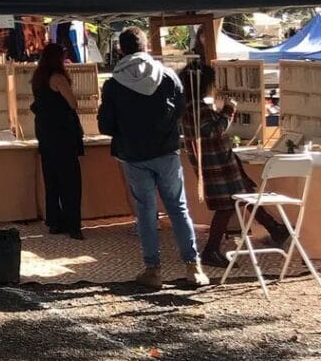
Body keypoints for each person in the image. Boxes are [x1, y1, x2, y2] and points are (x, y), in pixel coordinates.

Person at [98, 27, 209, 289]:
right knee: (177, 207)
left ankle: (152, 269)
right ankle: (193, 267)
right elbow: (181, 110)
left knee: (146, 212)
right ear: (146, 46)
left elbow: (106, 125)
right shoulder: (169, 76)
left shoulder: (114, 84)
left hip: (133, 153)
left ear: (120, 49)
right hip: (166, 150)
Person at [181, 65, 288, 268]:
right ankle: (211, 250)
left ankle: (275, 229)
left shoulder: (194, 109)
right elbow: (214, 131)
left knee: (245, 194)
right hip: (217, 168)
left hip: (221, 166)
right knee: (226, 207)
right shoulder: (198, 111)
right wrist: (228, 111)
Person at [30, 44, 85, 240]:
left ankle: (54, 221)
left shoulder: (38, 79)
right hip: (62, 134)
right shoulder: (58, 78)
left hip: (45, 134)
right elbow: (72, 103)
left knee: (51, 180)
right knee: (70, 181)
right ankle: (73, 224)